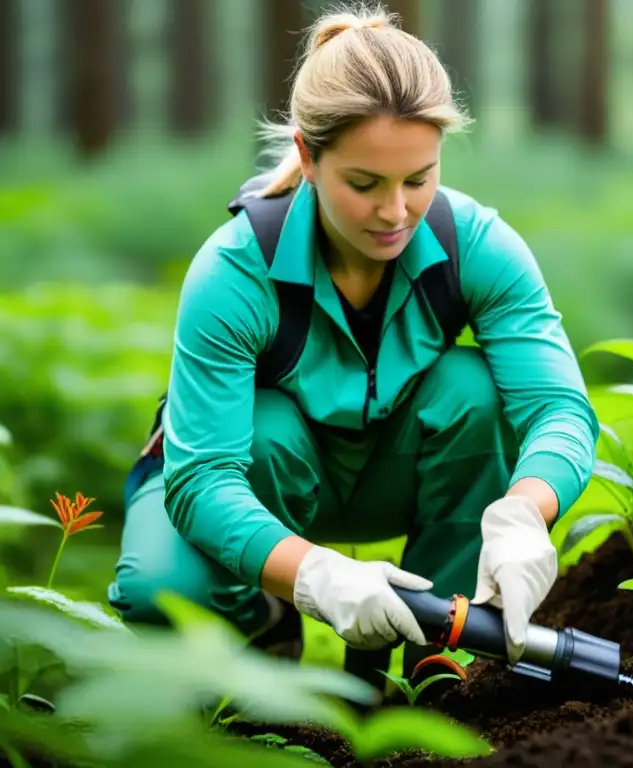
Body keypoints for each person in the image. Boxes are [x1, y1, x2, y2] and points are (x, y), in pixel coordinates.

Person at [105, 3, 598, 693]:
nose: (395, 212)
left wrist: (525, 512)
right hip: (262, 477)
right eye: (364, 184)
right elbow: (203, 479)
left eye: (418, 178)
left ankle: (440, 645)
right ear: (307, 156)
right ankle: (263, 620)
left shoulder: (477, 246)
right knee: (161, 587)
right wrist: (314, 578)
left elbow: (559, 411)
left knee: (474, 390)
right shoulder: (234, 271)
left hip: (396, 469)